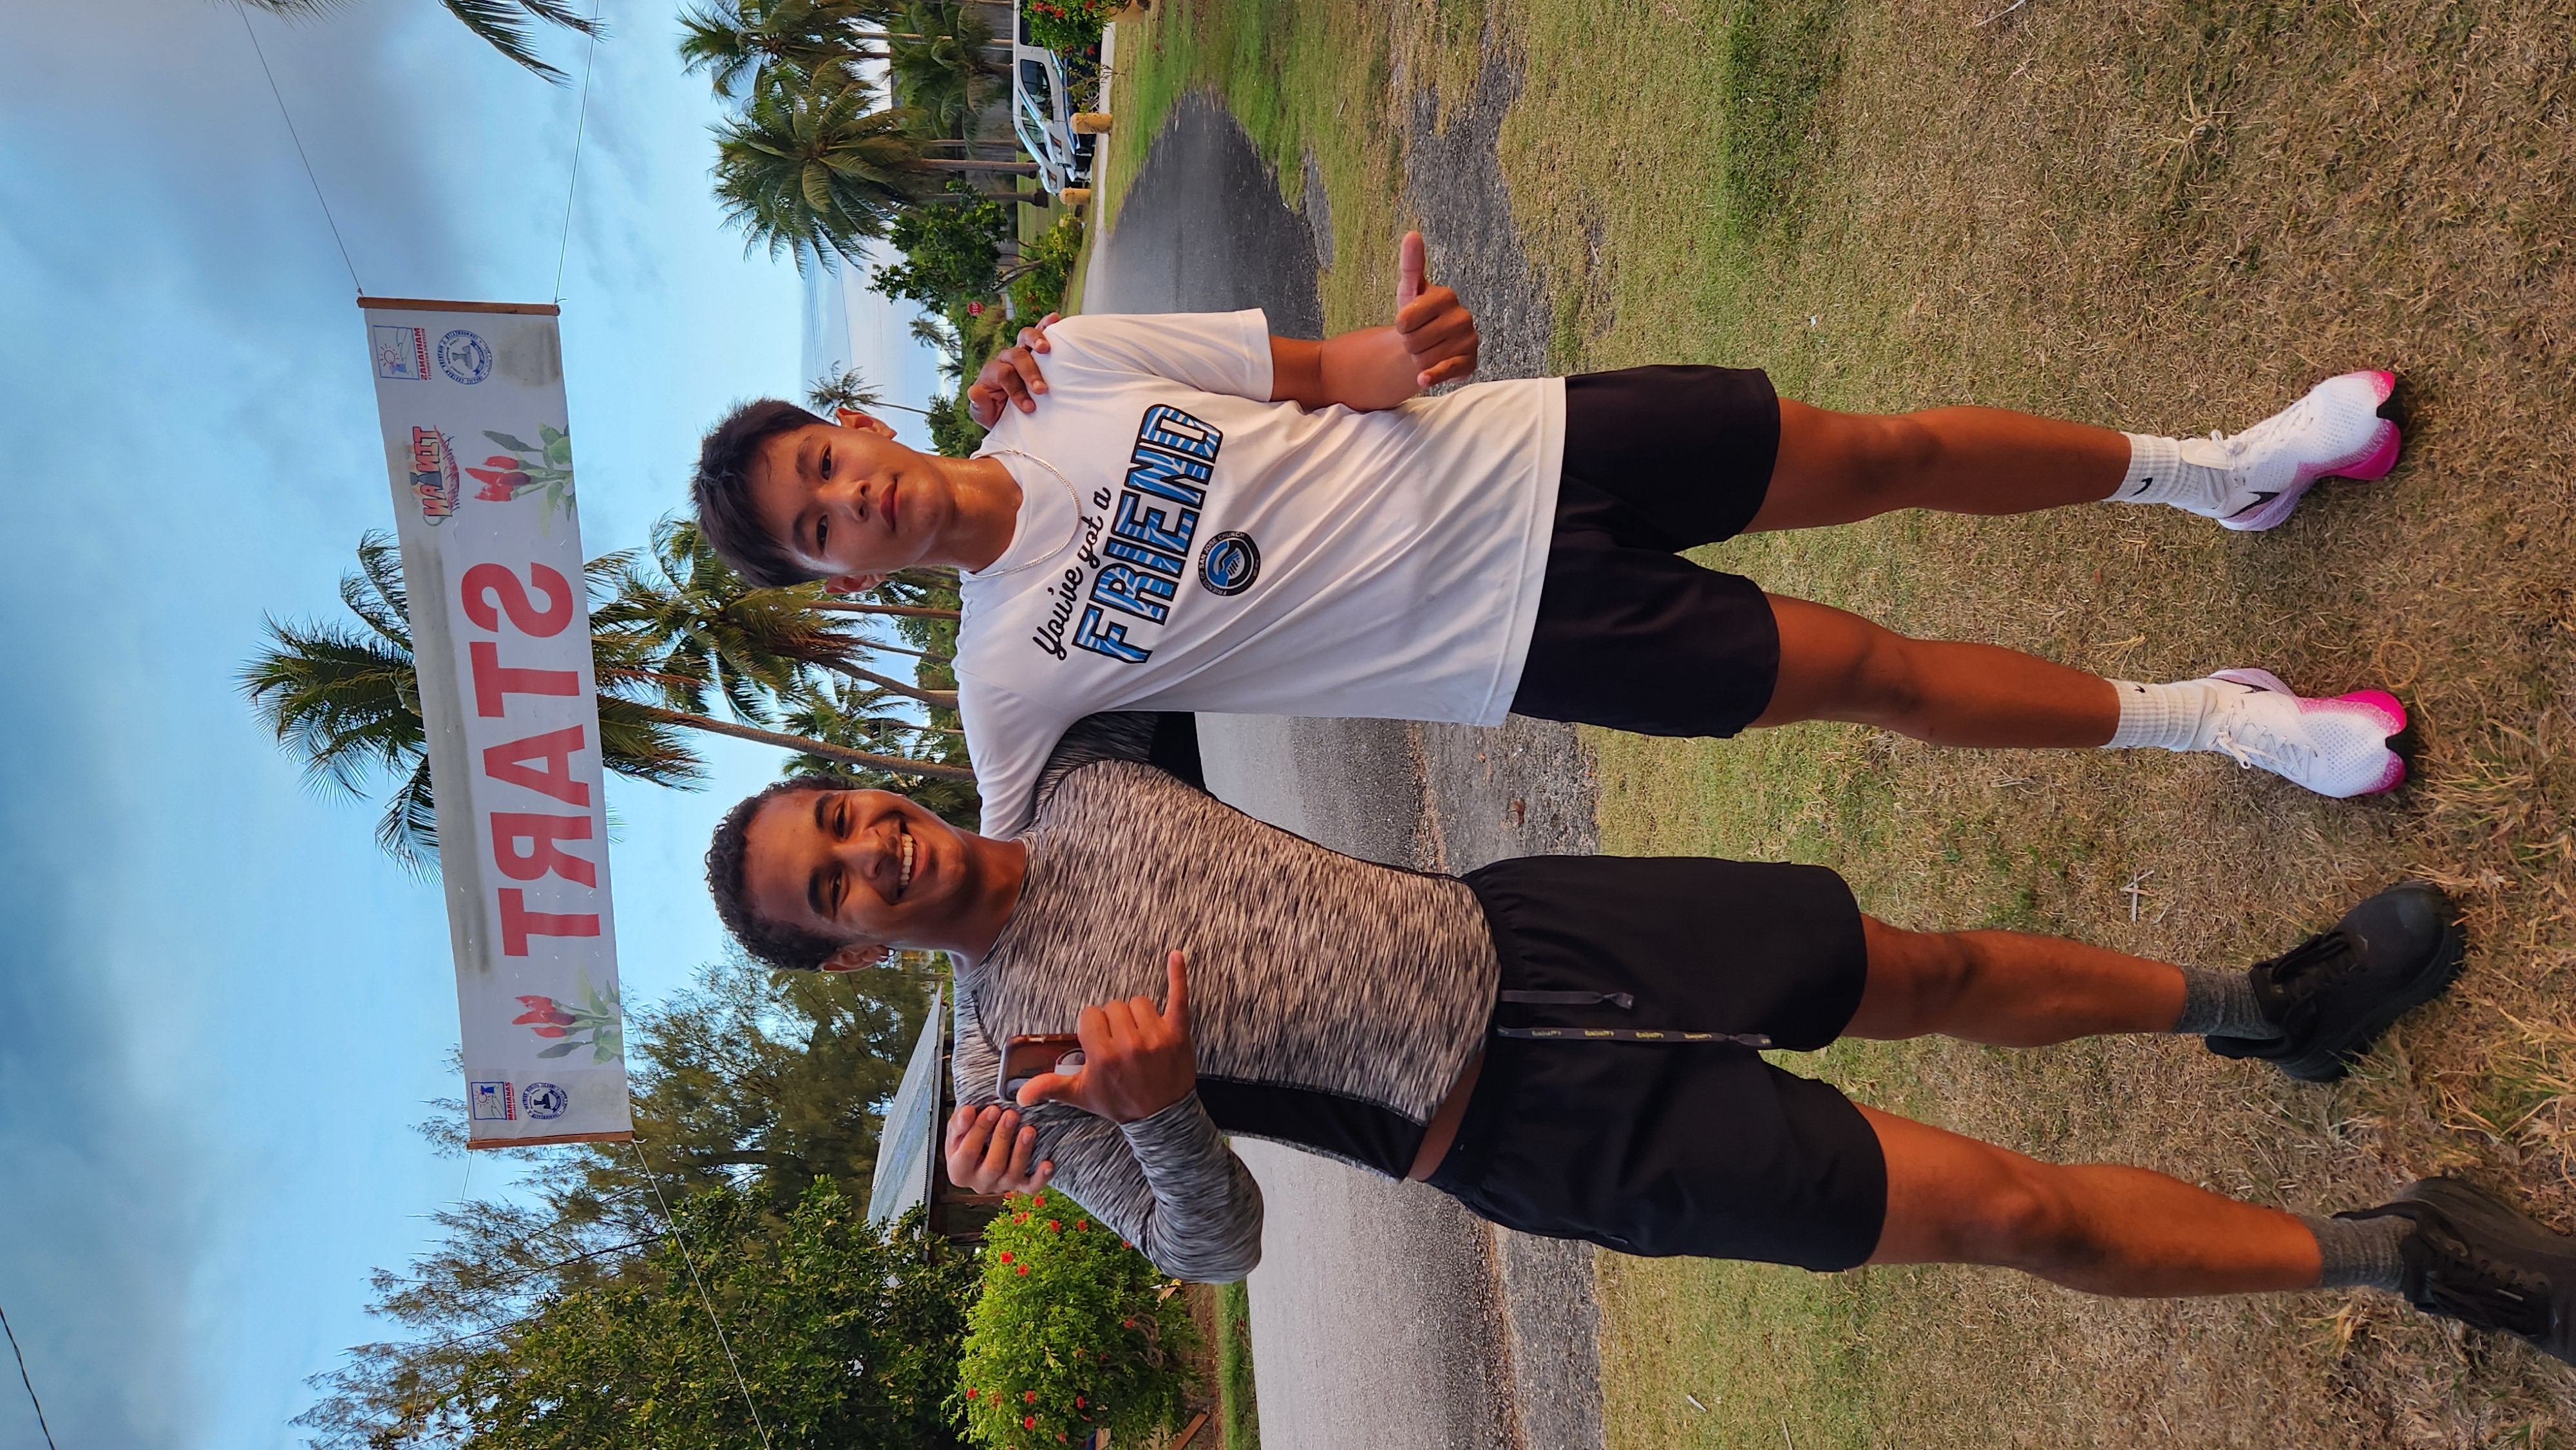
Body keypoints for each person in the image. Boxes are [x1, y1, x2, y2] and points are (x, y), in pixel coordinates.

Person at [700, 713, 2576, 1364]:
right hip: (1531, 1131)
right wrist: (1169, 1115)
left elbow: (1084, 518)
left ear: (870, 788)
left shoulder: (1078, 764)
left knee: (1923, 965)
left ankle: (2273, 1010)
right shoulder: (1014, 1076)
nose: (875, 852)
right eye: (837, 889)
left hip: (1548, 922)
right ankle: (2401, 1249)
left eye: (846, 818)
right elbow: (1216, 1245)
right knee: (2009, 1215)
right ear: (849, 957)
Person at [690, 233, 2412, 838]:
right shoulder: (1004, 682)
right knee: (1878, 677)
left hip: (1548, 445)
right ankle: (2224, 718)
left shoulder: (1060, 372)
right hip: (1517, 641)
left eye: (822, 469)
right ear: (835, 582)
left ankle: (2223, 465)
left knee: (1883, 451)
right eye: (815, 535)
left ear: (852, 423)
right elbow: (999, 890)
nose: (849, 505)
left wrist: (1401, 351)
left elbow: (1317, 374)